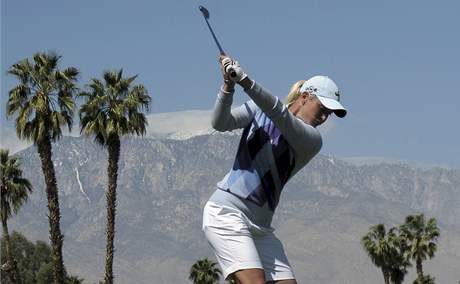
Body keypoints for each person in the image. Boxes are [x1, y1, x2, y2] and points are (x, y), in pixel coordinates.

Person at [202, 55, 347, 284]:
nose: (324, 116)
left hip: (261, 229)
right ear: (305, 97)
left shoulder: (311, 140)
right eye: (322, 108)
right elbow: (221, 123)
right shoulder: (260, 109)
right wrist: (228, 87)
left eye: (329, 113)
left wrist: (246, 82)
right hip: (226, 213)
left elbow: (280, 114)